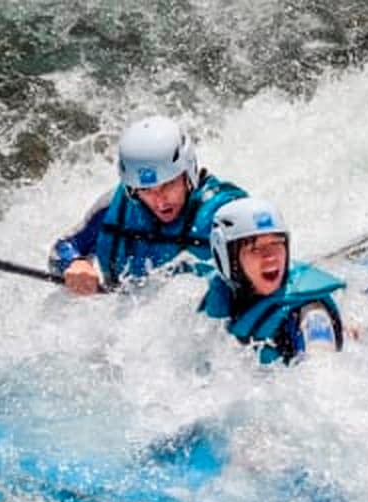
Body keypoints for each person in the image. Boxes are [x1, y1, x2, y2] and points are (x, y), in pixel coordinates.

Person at [49, 115, 247, 294]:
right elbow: (63, 248)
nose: (160, 201)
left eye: (168, 185)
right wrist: (75, 264)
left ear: (189, 174)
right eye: (147, 190)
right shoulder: (114, 210)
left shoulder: (226, 213)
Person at [200, 197, 345, 364]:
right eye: (255, 248)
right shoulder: (222, 296)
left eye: (276, 243)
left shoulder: (312, 316)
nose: (270, 256)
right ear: (228, 260)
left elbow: (323, 374)